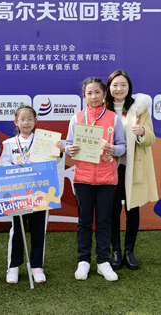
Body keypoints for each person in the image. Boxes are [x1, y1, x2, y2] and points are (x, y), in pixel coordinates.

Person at [65, 77, 126, 282]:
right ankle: (83, 260)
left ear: (104, 94)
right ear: (84, 96)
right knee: (83, 221)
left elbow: (122, 146)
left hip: (107, 178)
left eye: (97, 92)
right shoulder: (77, 118)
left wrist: (113, 149)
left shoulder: (113, 118)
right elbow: (68, 144)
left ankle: (103, 262)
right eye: (89, 93)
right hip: (82, 178)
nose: (93, 96)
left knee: (103, 221)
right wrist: (69, 149)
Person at [0, 105, 65, 284]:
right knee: (17, 230)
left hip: (40, 193)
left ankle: (36, 265)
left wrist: (58, 149)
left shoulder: (45, 141)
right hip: (18, 194)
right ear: (16, 122)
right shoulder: (9, 144)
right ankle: (13, 266)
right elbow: (2, 165)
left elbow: (55, 161)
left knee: (38, 230)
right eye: (22, 119)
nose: (26, 122)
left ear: (36, 121)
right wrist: (14, 168)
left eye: (30, 119)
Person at [105, 70, 158, 271]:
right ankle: (116, 252)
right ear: (109, 88)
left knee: (132, 209)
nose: (119, 89)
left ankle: (129, 251)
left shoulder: (139, 109)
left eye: (123, 85)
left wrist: (142, 132)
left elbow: (151, 139)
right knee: (112, 211)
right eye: (115, 85)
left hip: (133, 167)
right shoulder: (103, 109)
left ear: (129, 88)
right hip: (109, 167)